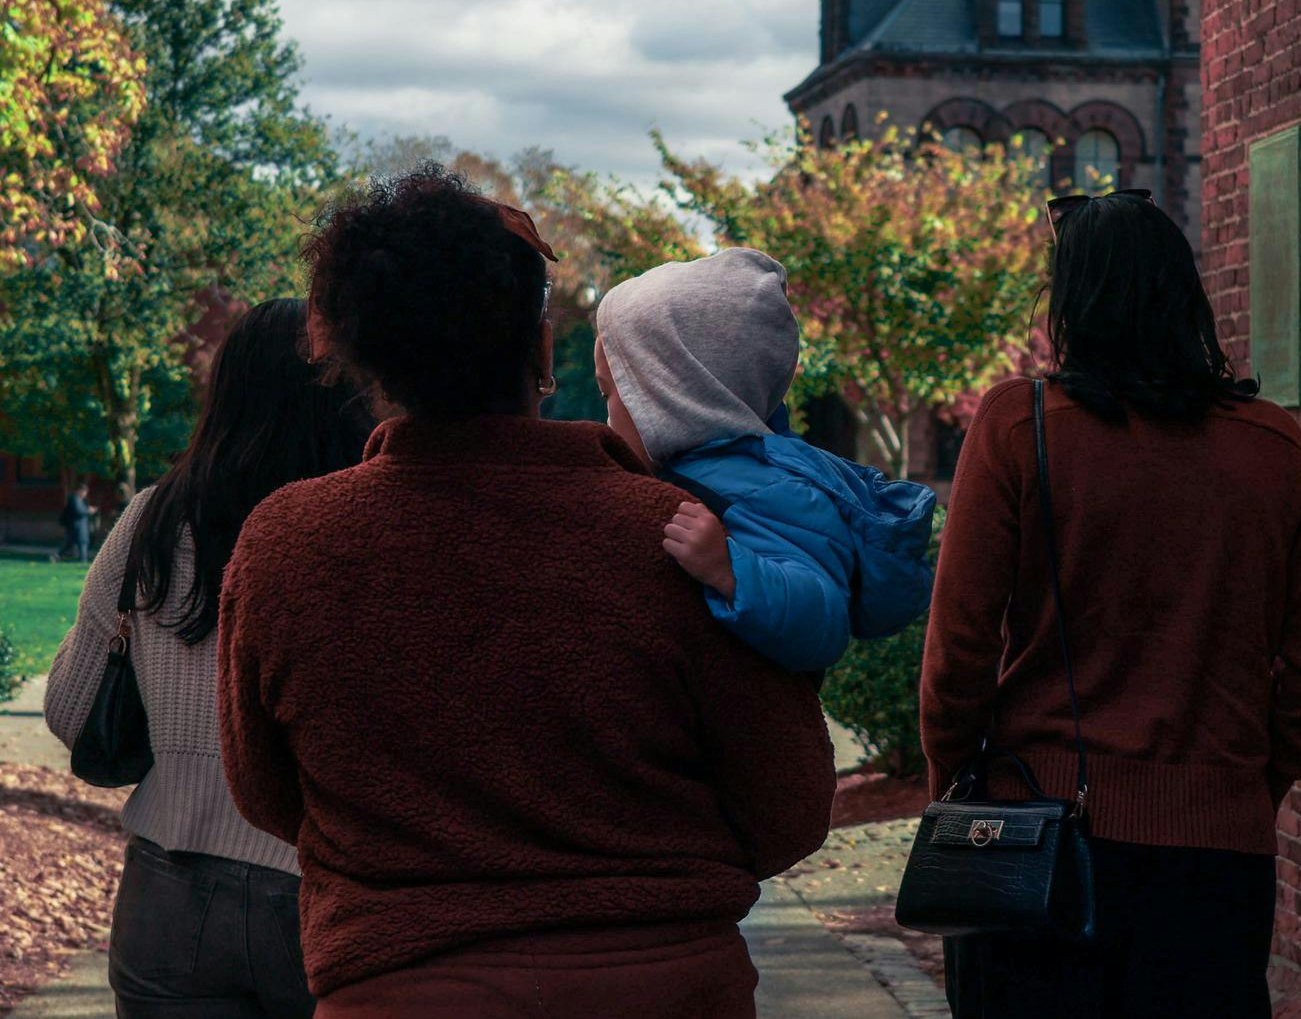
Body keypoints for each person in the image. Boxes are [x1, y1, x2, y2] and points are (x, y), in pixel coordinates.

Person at [215, 166, 834, 1018]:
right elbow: (791, 805)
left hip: (398, 990)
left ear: (367, 358)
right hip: (666, 987)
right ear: (542, 349)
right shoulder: (678, 539)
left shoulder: (285, 545)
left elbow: (264, 792)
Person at [921, 189, 1301, 1018]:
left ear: (1072, 301)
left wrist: (956, 787)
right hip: (1216, 852)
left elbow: (958, 654)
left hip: (1039, 839)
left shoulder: (1019, 426)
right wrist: (1245, 785)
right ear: (1182, 294)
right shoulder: (1271, 445)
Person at [45, 298, 373, 1019]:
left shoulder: (152, 520)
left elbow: (72, 710)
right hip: (326, 894)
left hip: (167, 896)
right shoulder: (364, 533)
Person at [592, 248, 936, 674]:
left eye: (611, 395)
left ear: (674, 397)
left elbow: (824, 623)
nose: (605, 419)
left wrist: (730, 569)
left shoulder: (774, 490)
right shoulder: (691, 474)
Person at [59, 483, 96, 561]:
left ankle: (57, 556)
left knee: (71, 543)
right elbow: (78, 511)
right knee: (82, 543)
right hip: (77, 526)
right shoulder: (75, 499)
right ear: (80, 491)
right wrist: (88, 510)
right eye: (84, 492)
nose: (85, 494)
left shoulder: (78, 499)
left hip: (78, 526)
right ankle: (83, 560)